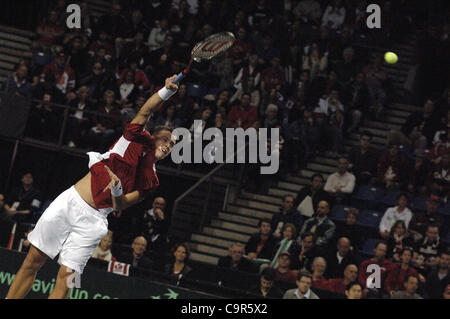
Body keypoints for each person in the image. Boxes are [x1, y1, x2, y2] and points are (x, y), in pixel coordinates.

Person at [6, 75, 179, 299]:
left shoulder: (151, 181)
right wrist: (165, 92)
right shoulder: (132, 139)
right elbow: (145, 111)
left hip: (94, 223)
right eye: (165, 140)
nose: (168, 146)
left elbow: (121, 204)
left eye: (172, 144)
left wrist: (117, 190)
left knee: (68, 279)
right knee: (32, 262)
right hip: (70, 202)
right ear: (151, 137)